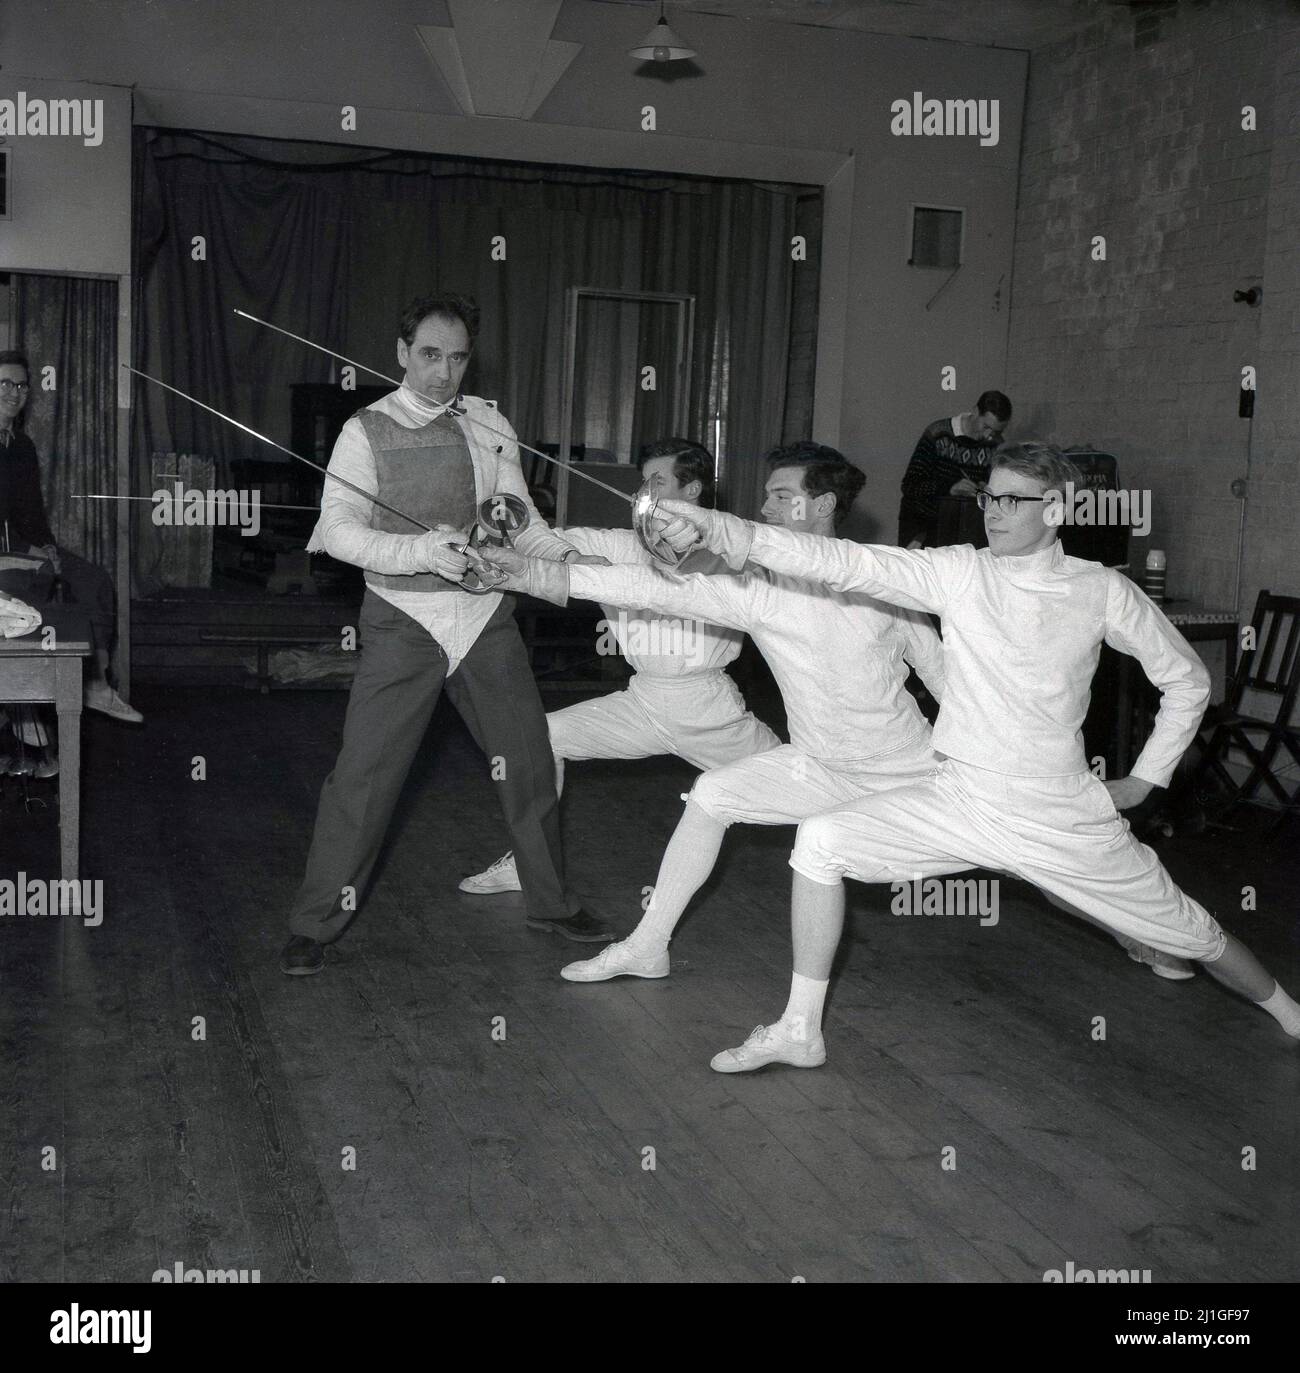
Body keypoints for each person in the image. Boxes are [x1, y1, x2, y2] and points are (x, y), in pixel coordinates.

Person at [648, 442, 1300, 1071]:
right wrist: (720, 530)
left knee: (1201, 937)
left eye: (1015, 500)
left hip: (1058, 812)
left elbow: (1187, 680)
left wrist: (1146, 779)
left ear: (1058, 508)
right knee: (820, 842)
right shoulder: (958, 570)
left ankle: (1289, 1013)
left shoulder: (1100, 589)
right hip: (960, 798)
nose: (993, 508)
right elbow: (847, 564)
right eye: (991, 493)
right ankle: (799, 1030)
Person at [472, 443, 946, 984]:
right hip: (820, 763)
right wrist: (526, 569)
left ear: (823, 505)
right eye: (767, 494)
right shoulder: (756, 586)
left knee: (1036, 864)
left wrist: (975, 763)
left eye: (780, 496)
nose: (765, 507)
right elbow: (647, 587)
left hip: (907, 766)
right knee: (713, 796)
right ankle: (648, 946)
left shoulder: (883, 578)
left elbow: (944, 676)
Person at [279, 293, 611, 976]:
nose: (443, 372)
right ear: (402, 353)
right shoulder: (364, 430)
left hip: (484, 616)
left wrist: (570, 565)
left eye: (457, 358)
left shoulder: (488, 421)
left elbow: (518, 519)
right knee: (364, 778)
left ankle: (550, 901)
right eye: (429, 355)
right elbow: (337, 533)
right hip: (404, 620)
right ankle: (313, 924)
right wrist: (419, 553)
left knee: (527, 757)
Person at [459, 438, 780, 896]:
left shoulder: (730, 552)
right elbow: (542, 540)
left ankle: (888, 841)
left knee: (804, 790)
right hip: (643, 702)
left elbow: (727, 576)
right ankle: (528, 862)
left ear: (691, 492)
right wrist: (498, 522)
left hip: (708, 709)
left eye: (658, 483)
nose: (641, 495)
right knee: (541, 738)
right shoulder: (618, 544)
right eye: (641, 483)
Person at [0, 348, 140, 776]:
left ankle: (94, 684)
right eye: (4, 384)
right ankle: (24, 715)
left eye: (22, 386)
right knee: (36, 588)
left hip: (20, 545)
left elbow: (30, 511)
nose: (15, 393)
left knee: (93, 579)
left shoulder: (21, 445)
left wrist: (48, 545)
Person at [898, 389, 1011, 548]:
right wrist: (949, 488)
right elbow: (910, 486)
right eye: (986, 427)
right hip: (922, 530)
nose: (989, 436)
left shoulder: (996, 445)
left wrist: (986, 490)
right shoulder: (938, 433)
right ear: (975, 411)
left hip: (964, 533)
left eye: (997, 431)